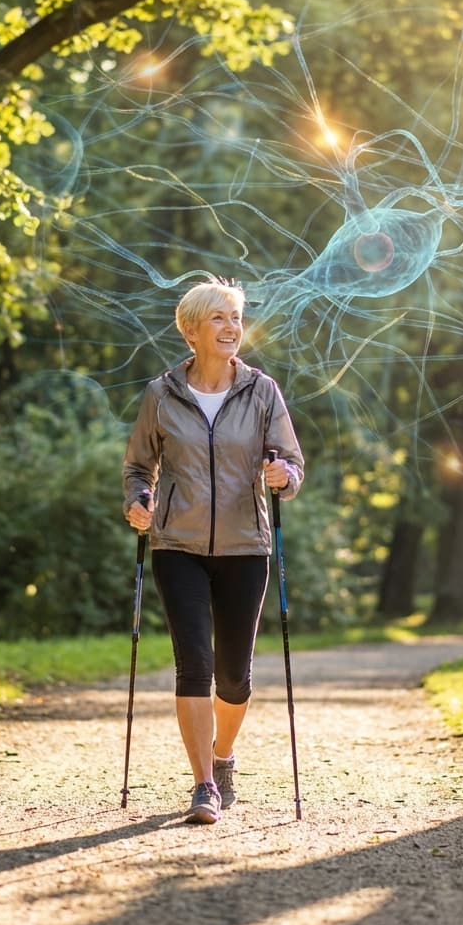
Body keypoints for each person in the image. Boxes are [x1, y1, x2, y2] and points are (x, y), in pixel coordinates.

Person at [122, 276, 304, 824]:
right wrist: (138, 500)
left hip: (246, 547)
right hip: (176, 544)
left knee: (234, 675)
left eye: (236, 318)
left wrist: (282, 475)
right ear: (192, 331)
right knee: (194, 665)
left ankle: (224, 757)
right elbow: (138, 467)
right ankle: (204, 784)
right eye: (219, 319)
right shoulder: (162, 394)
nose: (232, 328)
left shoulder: (262, 391)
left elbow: (293, 466)